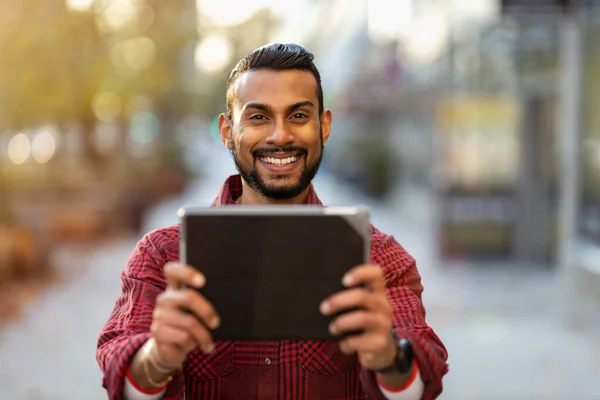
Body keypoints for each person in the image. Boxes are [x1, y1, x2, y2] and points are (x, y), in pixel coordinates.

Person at [96, 43, 448, 400]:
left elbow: (423, 379)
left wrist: (390, 358)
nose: (280, 136)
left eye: (298, 116)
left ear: (324, 126)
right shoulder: (164, 256)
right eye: (259, 117)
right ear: (226, 131)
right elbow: (119, 376)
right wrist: (158, 359)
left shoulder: (380, 260)